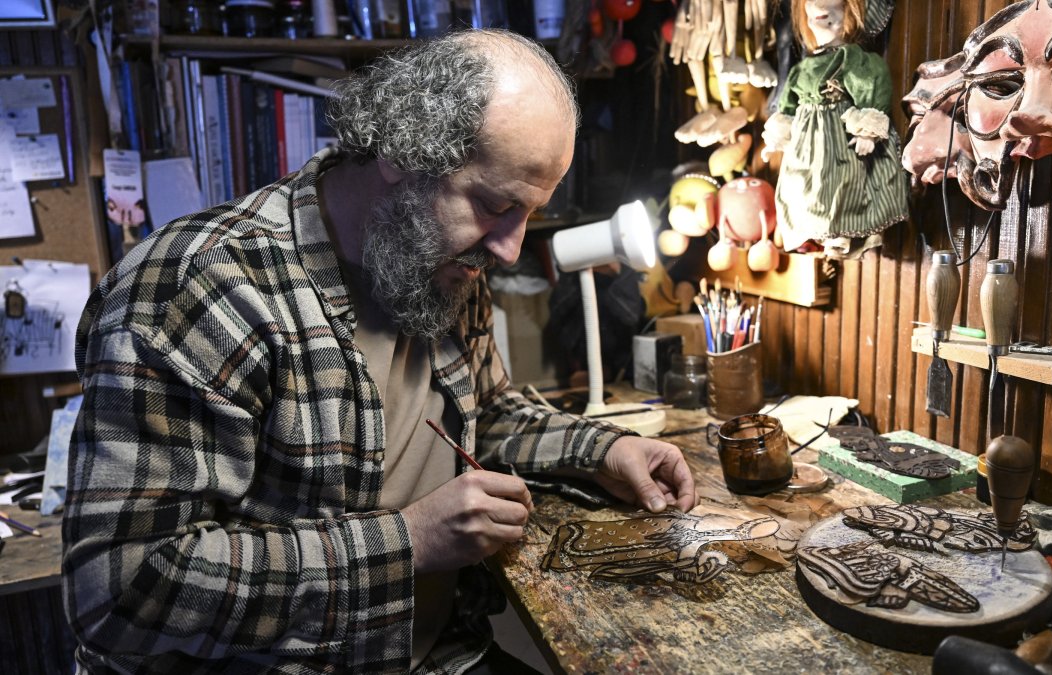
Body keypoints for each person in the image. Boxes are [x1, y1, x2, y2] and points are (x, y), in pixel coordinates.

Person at [64, 29, 695, 673]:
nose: (510, 247)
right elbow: (120, 593)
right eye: (495, 204)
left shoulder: (442, 262)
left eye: (528, 213)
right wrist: (409, 542)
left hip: (437, 655)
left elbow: (483, 418)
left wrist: (605, 450)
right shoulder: (202, 289)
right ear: (402, 149)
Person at [761, 0, 908, 259]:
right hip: (806, 146)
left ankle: (841, 234)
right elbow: (788, 107)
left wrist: (866, 131)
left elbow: (871, 88)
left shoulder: (852, 58)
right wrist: (777, 136)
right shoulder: (802, 69)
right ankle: (819, 234)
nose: (819, 7)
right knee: (801, 185)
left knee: (842, 182)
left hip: (838, 139)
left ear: (852, 12)